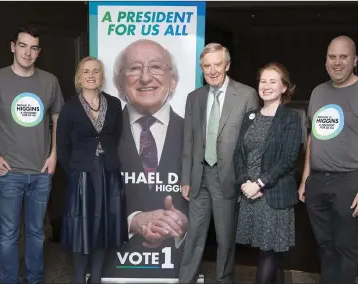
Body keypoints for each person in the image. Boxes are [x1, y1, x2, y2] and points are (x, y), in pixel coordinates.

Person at [0, 26, 64, 284]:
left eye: (33, 47)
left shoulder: (50, 81)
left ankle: (35, 279)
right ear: (13, 47)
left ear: (39, 52)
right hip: (8, 173)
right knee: (8, 235)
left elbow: (56, 117)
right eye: (23, 45)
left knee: (36, 233)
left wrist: (54, 154)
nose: (28, 52)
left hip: (41, 171)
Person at [298, 35, 358, 284]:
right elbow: (313, 138)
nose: (337, 62)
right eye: (332, 57)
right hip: (317, 182)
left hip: (351, 181)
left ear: (354, 60)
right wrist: (305, 179)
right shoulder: (318, 92)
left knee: (345, 247)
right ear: (325, 62)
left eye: (343, 57)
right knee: (325, 246)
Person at [105, 39, 188, 278]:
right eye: (134, 68)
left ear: (173, 80)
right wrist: (132, 221)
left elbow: (210, 198)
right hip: (115, 267)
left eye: (155, 67)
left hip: (176, 269)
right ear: (119, 83)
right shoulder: (100, 134)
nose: (145, 78)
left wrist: (184, 223)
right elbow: (90, 197)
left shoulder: (194, 135)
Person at [179, 43, 260, 283]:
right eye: (207, 66)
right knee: (193, 236)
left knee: (225, 239)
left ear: (227, 65)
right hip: (198, 177)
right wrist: (185, 177)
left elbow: (252, 144)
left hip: (228, 178)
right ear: (201, 68)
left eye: (217, 64)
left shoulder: (247, 95)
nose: (212, 70)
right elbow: (188, 141)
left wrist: (246, 180)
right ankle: (187, 280)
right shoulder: (194, 97)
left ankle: (224, 280)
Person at [56, 56, 128, 283]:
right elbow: (63, 146)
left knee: (103, 229)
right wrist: (76, 171)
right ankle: (79, 278)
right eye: (85, 72)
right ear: (79, 77)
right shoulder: (69, 108)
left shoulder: (115, 104)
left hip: (109, 174)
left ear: (101, 76)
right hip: (82, 176)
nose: (90, 75)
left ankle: (96, 277)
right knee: (81, 230)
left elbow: (116, 137)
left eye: (95, 71)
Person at [233, 62, 302, 284]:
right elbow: (238, 154)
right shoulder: (250, 116)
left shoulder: (290, 118)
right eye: (263, 81)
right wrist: (244, 182)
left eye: (273, 81)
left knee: (268, 252)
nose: (267, 86)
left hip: (273, 196)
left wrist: (259, 183)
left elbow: (288, 158)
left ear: (284, 88)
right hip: (250, 195)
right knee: (273, 254)